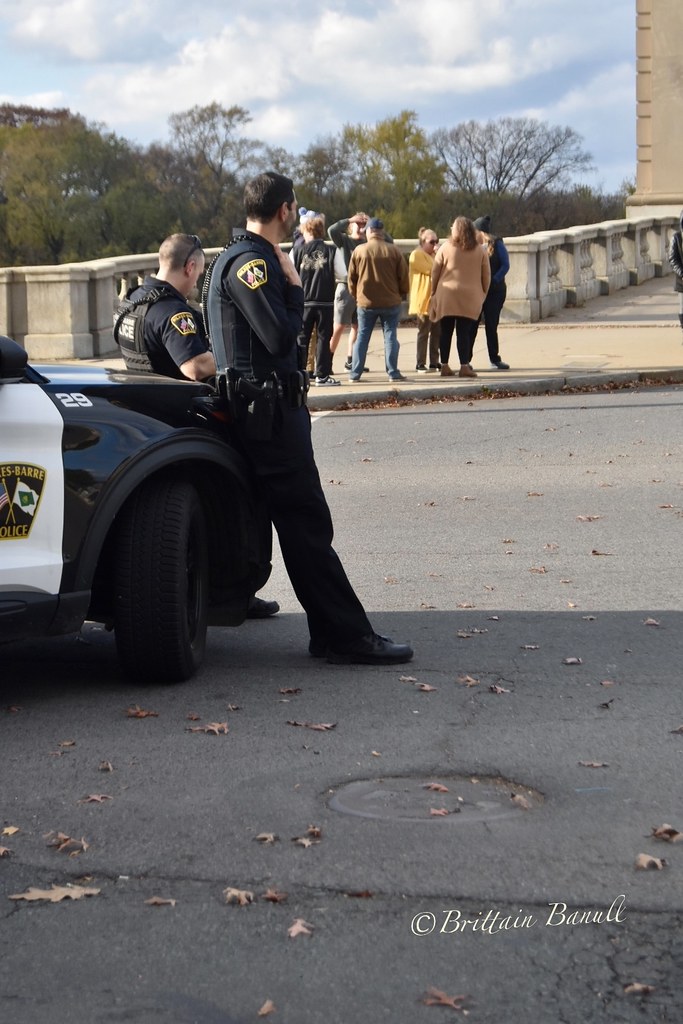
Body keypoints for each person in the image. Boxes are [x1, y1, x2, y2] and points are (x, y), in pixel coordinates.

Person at [202, 171, 413, 665]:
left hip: (262, 408)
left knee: (291, 524)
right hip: (269, 413)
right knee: (307, 524)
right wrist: (295, 290)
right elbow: (279, 338)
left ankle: (330, 631)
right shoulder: (253, 262)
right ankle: (344, 635)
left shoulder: (232, 257)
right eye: (293, 207)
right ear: (285, 211)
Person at [113, 232, 278, 620]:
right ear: (190, 267)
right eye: (198, 273)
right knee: (242, 502)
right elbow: (194, 366)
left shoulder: (131, 303)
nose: (196, 281)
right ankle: (234, 593)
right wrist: (229, 356)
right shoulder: (174, 313)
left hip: (148, 421)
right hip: (187, 423)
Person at [347, 218, 410, 382]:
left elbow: (351, 278)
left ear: (368, 232)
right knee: (390, 335)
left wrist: (356, 295)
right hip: (390, 301)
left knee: (362, 336)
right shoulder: (394, 251)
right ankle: (392, 372)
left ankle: (355, 373)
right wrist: (402, 293)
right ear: (382, 233)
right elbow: (403, 277)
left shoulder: (359, 251)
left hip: (366, 302)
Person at [430, 216, 491, 378]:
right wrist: (483, 293)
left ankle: (444, 365)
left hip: (447, 294)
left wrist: (433, 291)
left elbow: (435, 271)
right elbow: (486, 276)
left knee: (446, 331)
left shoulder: (446, 247)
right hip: (470, 296)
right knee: (463, 333)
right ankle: (464, 366)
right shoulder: (479, 250)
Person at [290, 214, 340, 386]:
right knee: (323, 338)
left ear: (307, 231)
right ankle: (322, 375)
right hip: (324, 302)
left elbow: (288, 274)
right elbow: (343, 273)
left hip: (303, 302)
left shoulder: (297, 251)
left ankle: (300, 373)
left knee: (302, 339)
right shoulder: (332, 251)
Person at [327, 212, 368, 371]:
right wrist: (350, 219)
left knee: (358, 326)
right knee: (339, 327)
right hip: (346, 288)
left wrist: (371, 225)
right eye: (357, 223)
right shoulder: (344, 241)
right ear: (350, 227)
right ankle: (327, 361)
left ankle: (351, 360)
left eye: (363, 224)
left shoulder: (367, 243)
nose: (360, 226)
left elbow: (387, 241)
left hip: (362, 289)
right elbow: (332, 230)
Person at [473, 215, 510, 369]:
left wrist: (493, 280)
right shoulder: (472, 245)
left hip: (495, 292)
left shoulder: (497, 243)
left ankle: (494, 358)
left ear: (480, 231)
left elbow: (505, 265)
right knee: (471, 325)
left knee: (491, 325)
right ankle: (466, 360)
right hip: (477, 291)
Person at [409, 227, 441, 372]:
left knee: (436, 332)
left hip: (436, 299)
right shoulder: (416, 255)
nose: (435, 244)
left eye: (437, 241)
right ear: (423, 241)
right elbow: (433, 270)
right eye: (431, 242)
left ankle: (434, 361)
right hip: (423, 299)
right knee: (423, 332)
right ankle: (420, 362)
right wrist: (440, 255)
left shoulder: (435, 255)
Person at [668, 210, 683, 338]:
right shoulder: (677, 238)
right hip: (682, 281)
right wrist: (682, 273)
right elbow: (673, 259)